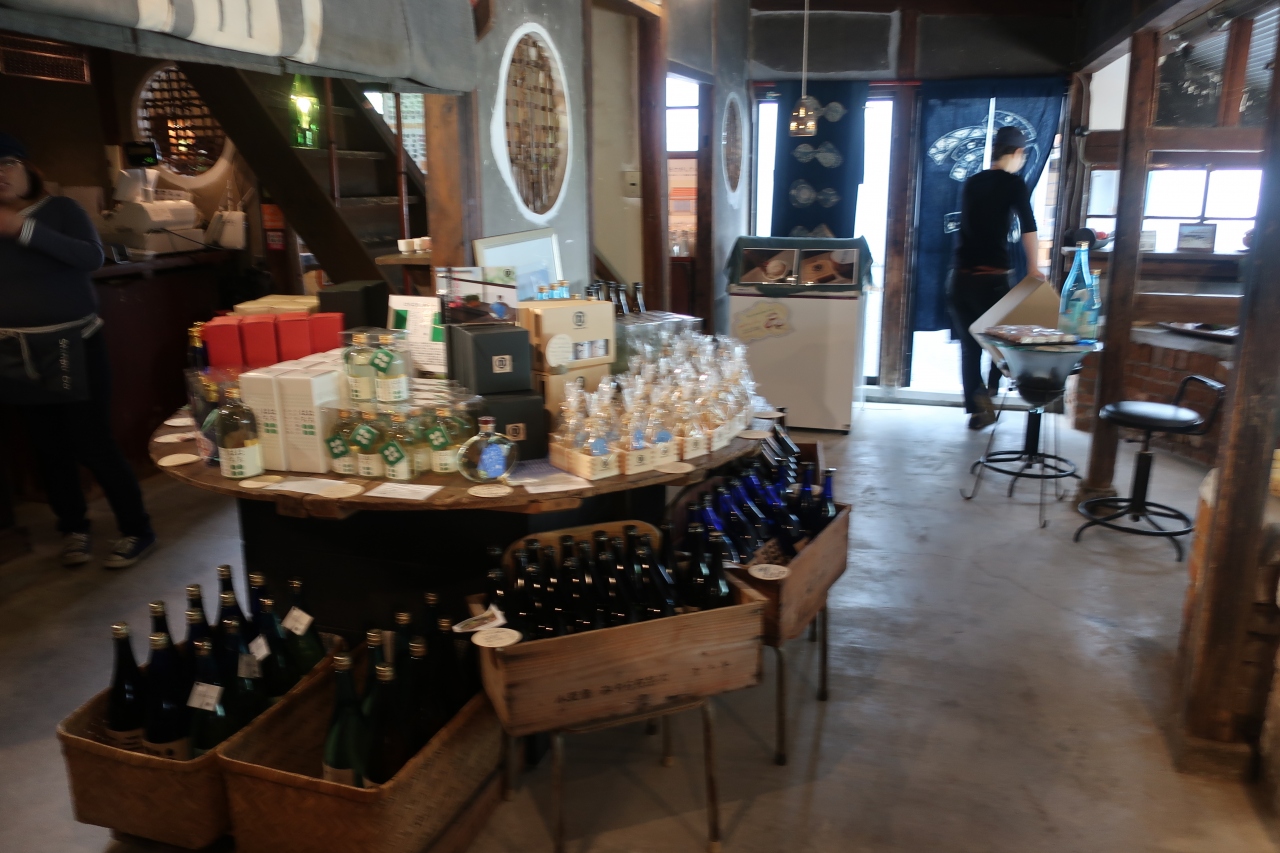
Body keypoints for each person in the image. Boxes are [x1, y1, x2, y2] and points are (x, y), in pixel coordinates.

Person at [0, 133, 155, 568]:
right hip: (15, 349)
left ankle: (137, 529)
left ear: (27, 168)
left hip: (74, 342)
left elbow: (91, 257)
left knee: (92, 442)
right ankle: (73, 528)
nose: (0, 175)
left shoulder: (61, 210)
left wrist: (22, 230)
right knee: (47, 447)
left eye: (7, 163)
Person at [948, 125, 1047, 430]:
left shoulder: (972, 182)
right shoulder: (1013, 183)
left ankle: (980, 410)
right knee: (1000, 342)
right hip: (991, 281)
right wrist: (1033, 267)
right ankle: (991, 392)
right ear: (1017, 153)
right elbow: (1028, 225)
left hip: (959, 281)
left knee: (970, 348)